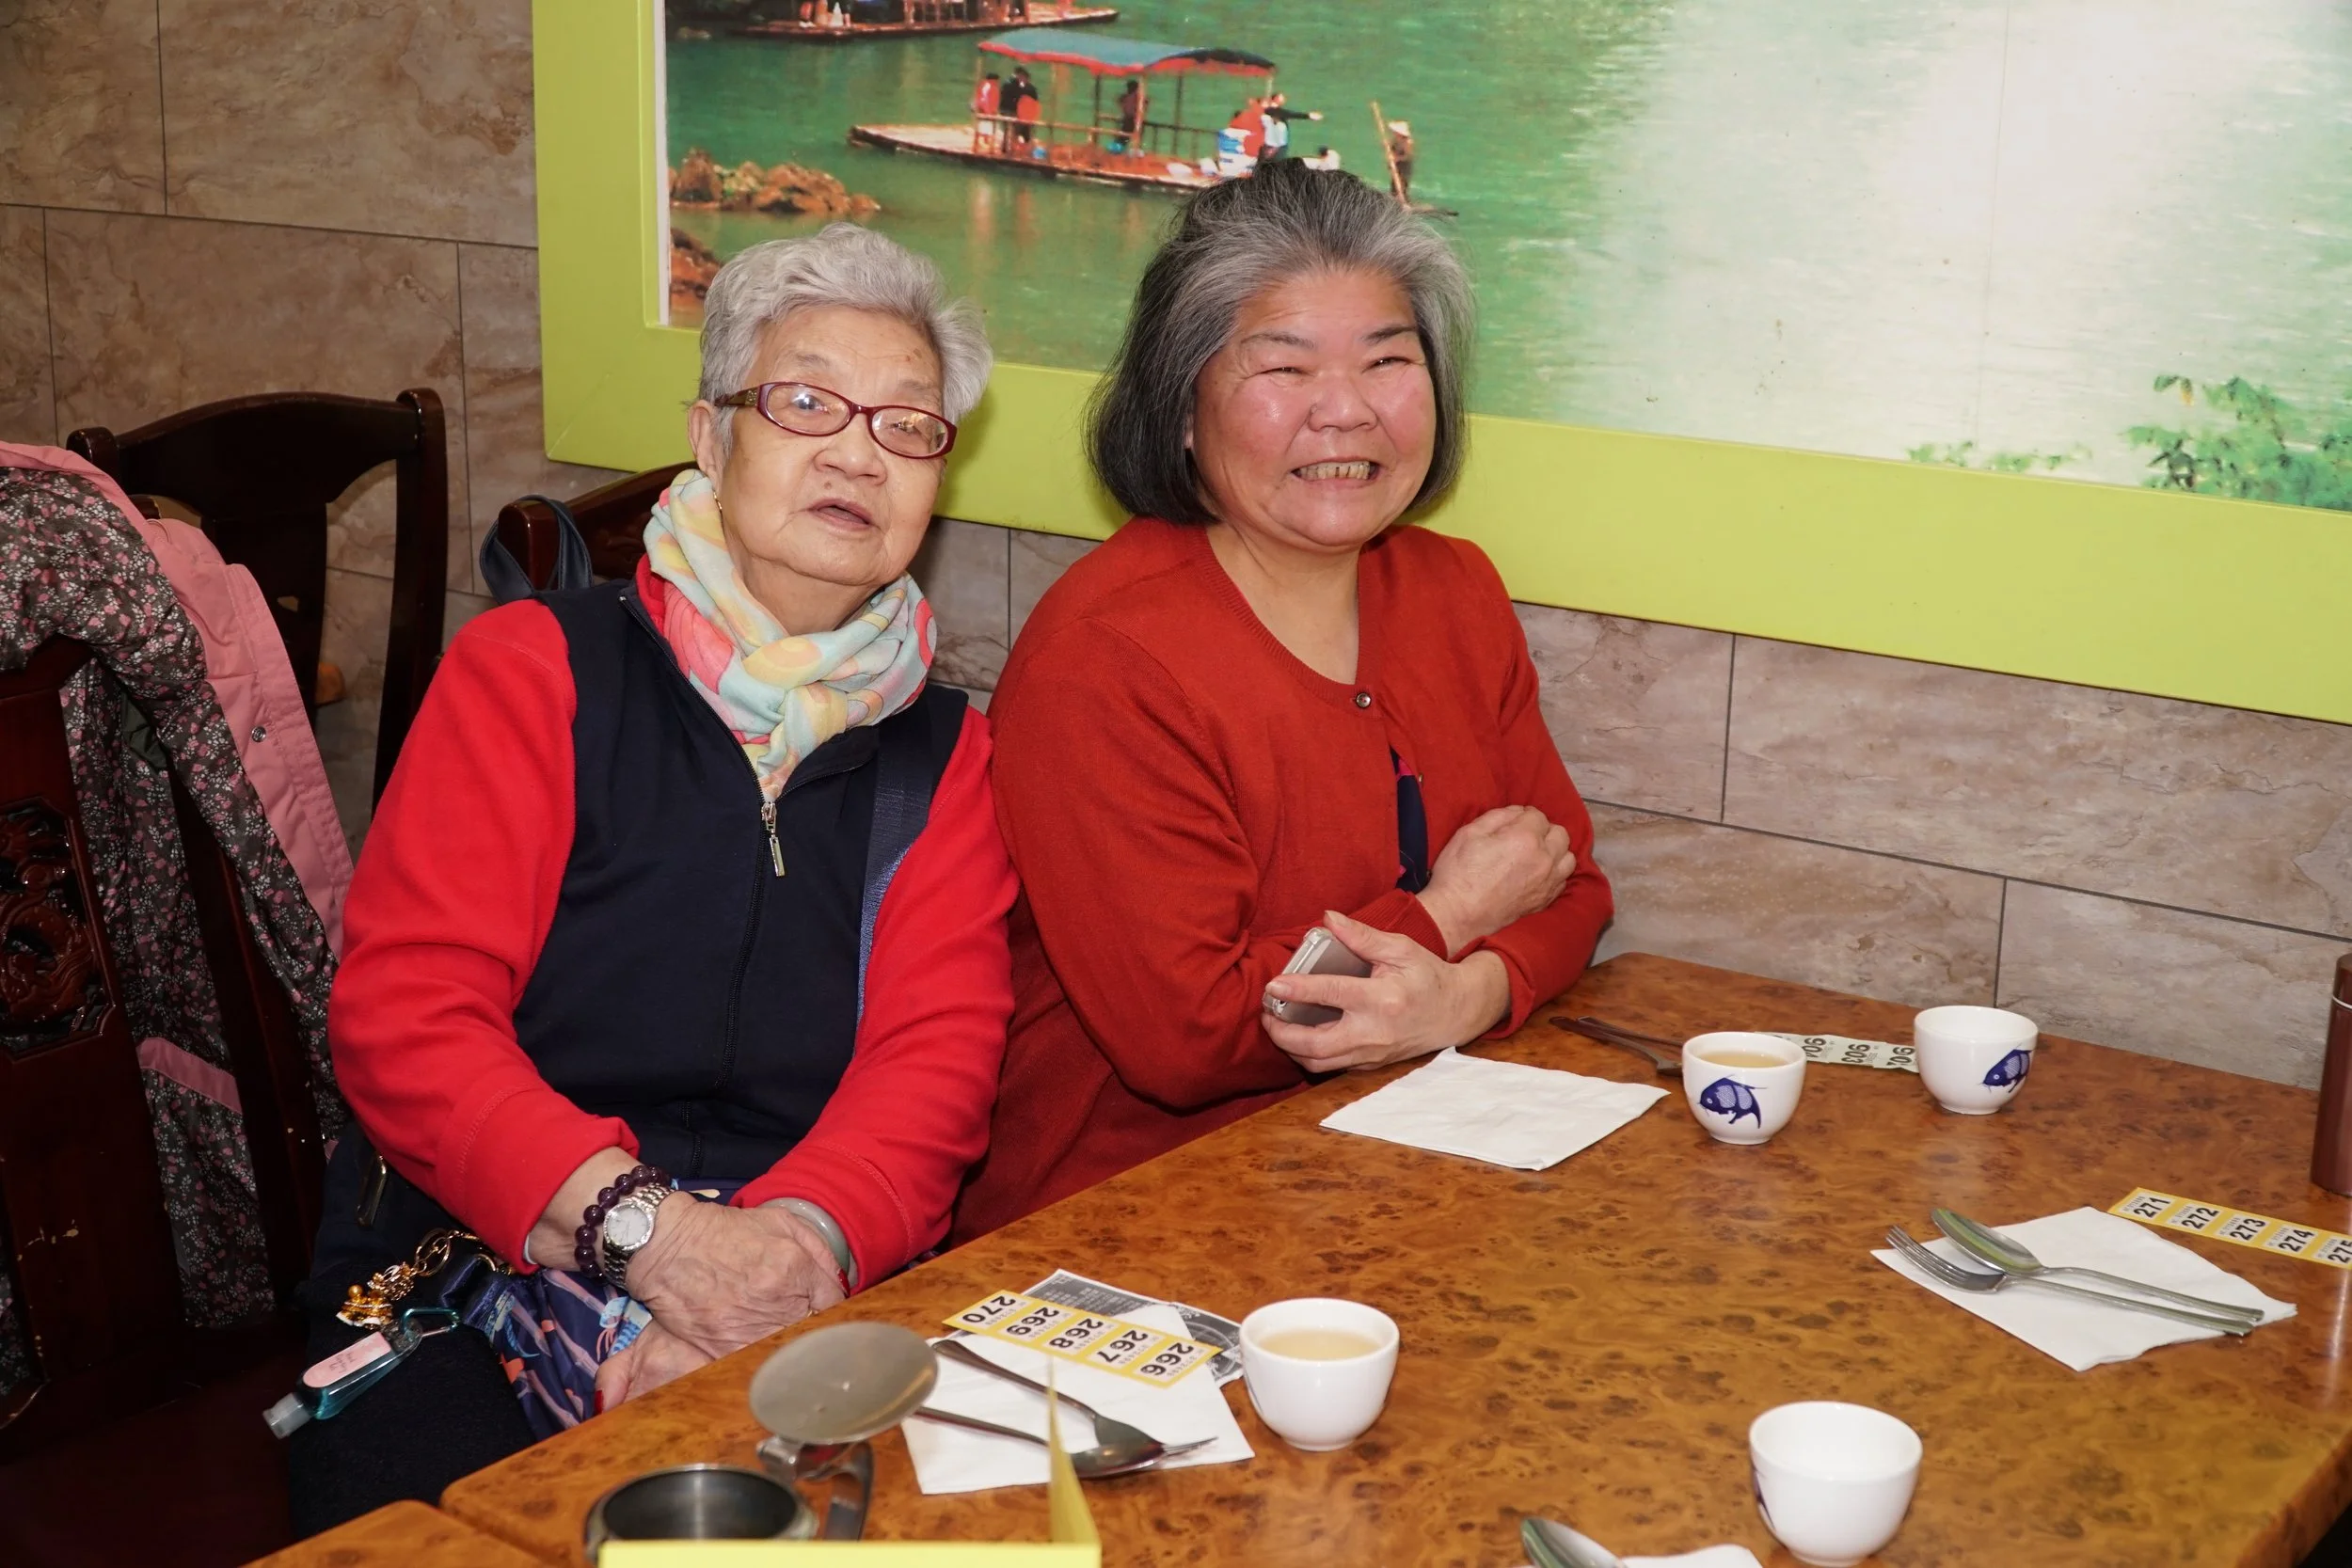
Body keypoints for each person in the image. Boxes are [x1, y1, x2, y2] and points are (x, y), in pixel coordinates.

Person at [291, 225, 1015, 1530]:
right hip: (474, 1251)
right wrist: (657, 1243)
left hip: (801, 1254)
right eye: (805, 403)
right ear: (710, 435)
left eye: (908, 425)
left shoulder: (945, 751)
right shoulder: (535, 671)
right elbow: (408, 1020)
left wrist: (772, 1269)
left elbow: (935, 1066)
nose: (858, 453)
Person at [952, 161, 1613, 1240]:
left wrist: (1462, 998)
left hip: (1405, 1178)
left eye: (1387, 360)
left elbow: (1568, 887)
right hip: (1128, 1225)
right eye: (1285, 366)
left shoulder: (1453, 589)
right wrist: (1450, 918)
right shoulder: (1107, 659)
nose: (1345, 410)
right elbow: (1191, 1035)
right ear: (1181, 406)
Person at [1257, 91, 1322, 163]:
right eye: (1282, 98)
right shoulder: (1273, 110)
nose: (1284, 100)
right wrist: (1308, 116)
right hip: (1276, 145)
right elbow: (1289, 114)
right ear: (1276, 99)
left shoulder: (1273, 111)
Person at [1385, 119, 1416, 200]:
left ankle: (1403, 201)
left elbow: (1408, 156)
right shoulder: (1395, 139)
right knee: (1394, 184)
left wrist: (1397, 158)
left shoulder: (1408, 142)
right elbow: (1390, 148)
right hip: (1396, 163)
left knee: (1401, 185)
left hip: (1404, 165)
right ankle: (1393, 199)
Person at [973, 71, 1003, 153]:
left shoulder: (985, 86)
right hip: (987, 111)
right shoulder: (989, 87)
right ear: (993, 80)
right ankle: (989, 148)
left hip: (985, 110)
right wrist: (989, 112)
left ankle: (980, 145)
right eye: (997, 81)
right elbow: (985, 100)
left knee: (982, 129)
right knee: (989, 130)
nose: (997, 83)